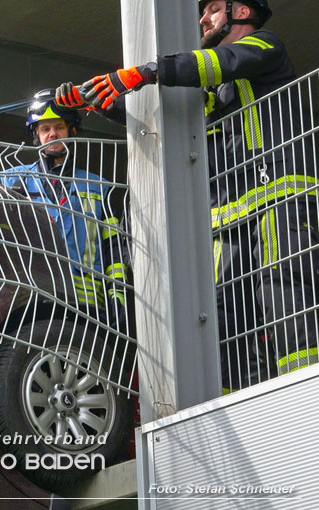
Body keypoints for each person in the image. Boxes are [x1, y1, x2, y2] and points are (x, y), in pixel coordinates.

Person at [56, 0, 318, 387]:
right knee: (223, 317)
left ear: (242, 12)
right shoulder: (219, 88)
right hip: (230, 217)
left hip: (279, 201)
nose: (203, 18)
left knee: (284, 295)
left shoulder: (266, 47)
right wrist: (103, 102)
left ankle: (305, 390)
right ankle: (234, 404)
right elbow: (173, 119)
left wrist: (147, 72)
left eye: (213, 9)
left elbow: (220, 62)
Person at [0, 91, 131, 332]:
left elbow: (113, 248)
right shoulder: (11, 181)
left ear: (72, 131)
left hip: (87, 307)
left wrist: (117, 295)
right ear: (36, 134)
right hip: (29, 302)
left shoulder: (99, 187)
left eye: (59, 127)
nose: (52, 134)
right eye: (45, 128)